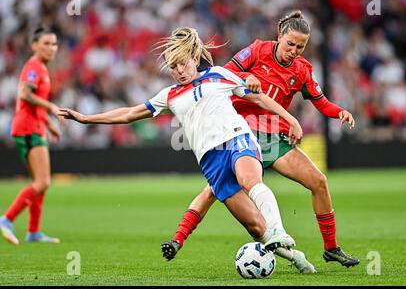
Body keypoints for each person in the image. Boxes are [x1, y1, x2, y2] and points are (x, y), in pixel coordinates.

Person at [59, 27, 316, 273]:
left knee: (250, 180)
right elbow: (129, 113)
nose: (180, 71)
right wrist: (86, 118)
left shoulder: (219, 75)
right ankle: (295, 256)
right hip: (211, 161)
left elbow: (258, 96)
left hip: (237, 139)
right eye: (173, 66)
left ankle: (280, 230)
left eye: (183, 63)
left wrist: (290, 119)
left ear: (194, 58)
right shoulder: (169, 95)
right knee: (256, 227)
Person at [163, 11, 360, 269]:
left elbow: (321, 103)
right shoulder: (256, 51)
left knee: (319, 182)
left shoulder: (302, 71)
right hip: (237, 129)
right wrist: (248, 77)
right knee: (214, 190)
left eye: (300, 47)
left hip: (272, 137)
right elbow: (224, 72)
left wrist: (339, 112)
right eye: (290, 44)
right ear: (279, 37)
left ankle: (331, 248)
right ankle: (179, 238)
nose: (294, 50)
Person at [0, 27, 63, 244]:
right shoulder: (33, 67)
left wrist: (48, 123)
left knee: (40, 181)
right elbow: (25, 94)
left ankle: (33, 232)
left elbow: (33, 101)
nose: (51, 48)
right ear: (34, 45)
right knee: (43, 181)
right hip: (28, 128)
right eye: (46, 43)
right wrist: (52, 108)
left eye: (54, 44)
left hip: (35, 126)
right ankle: (6, 219)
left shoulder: (42, 68)